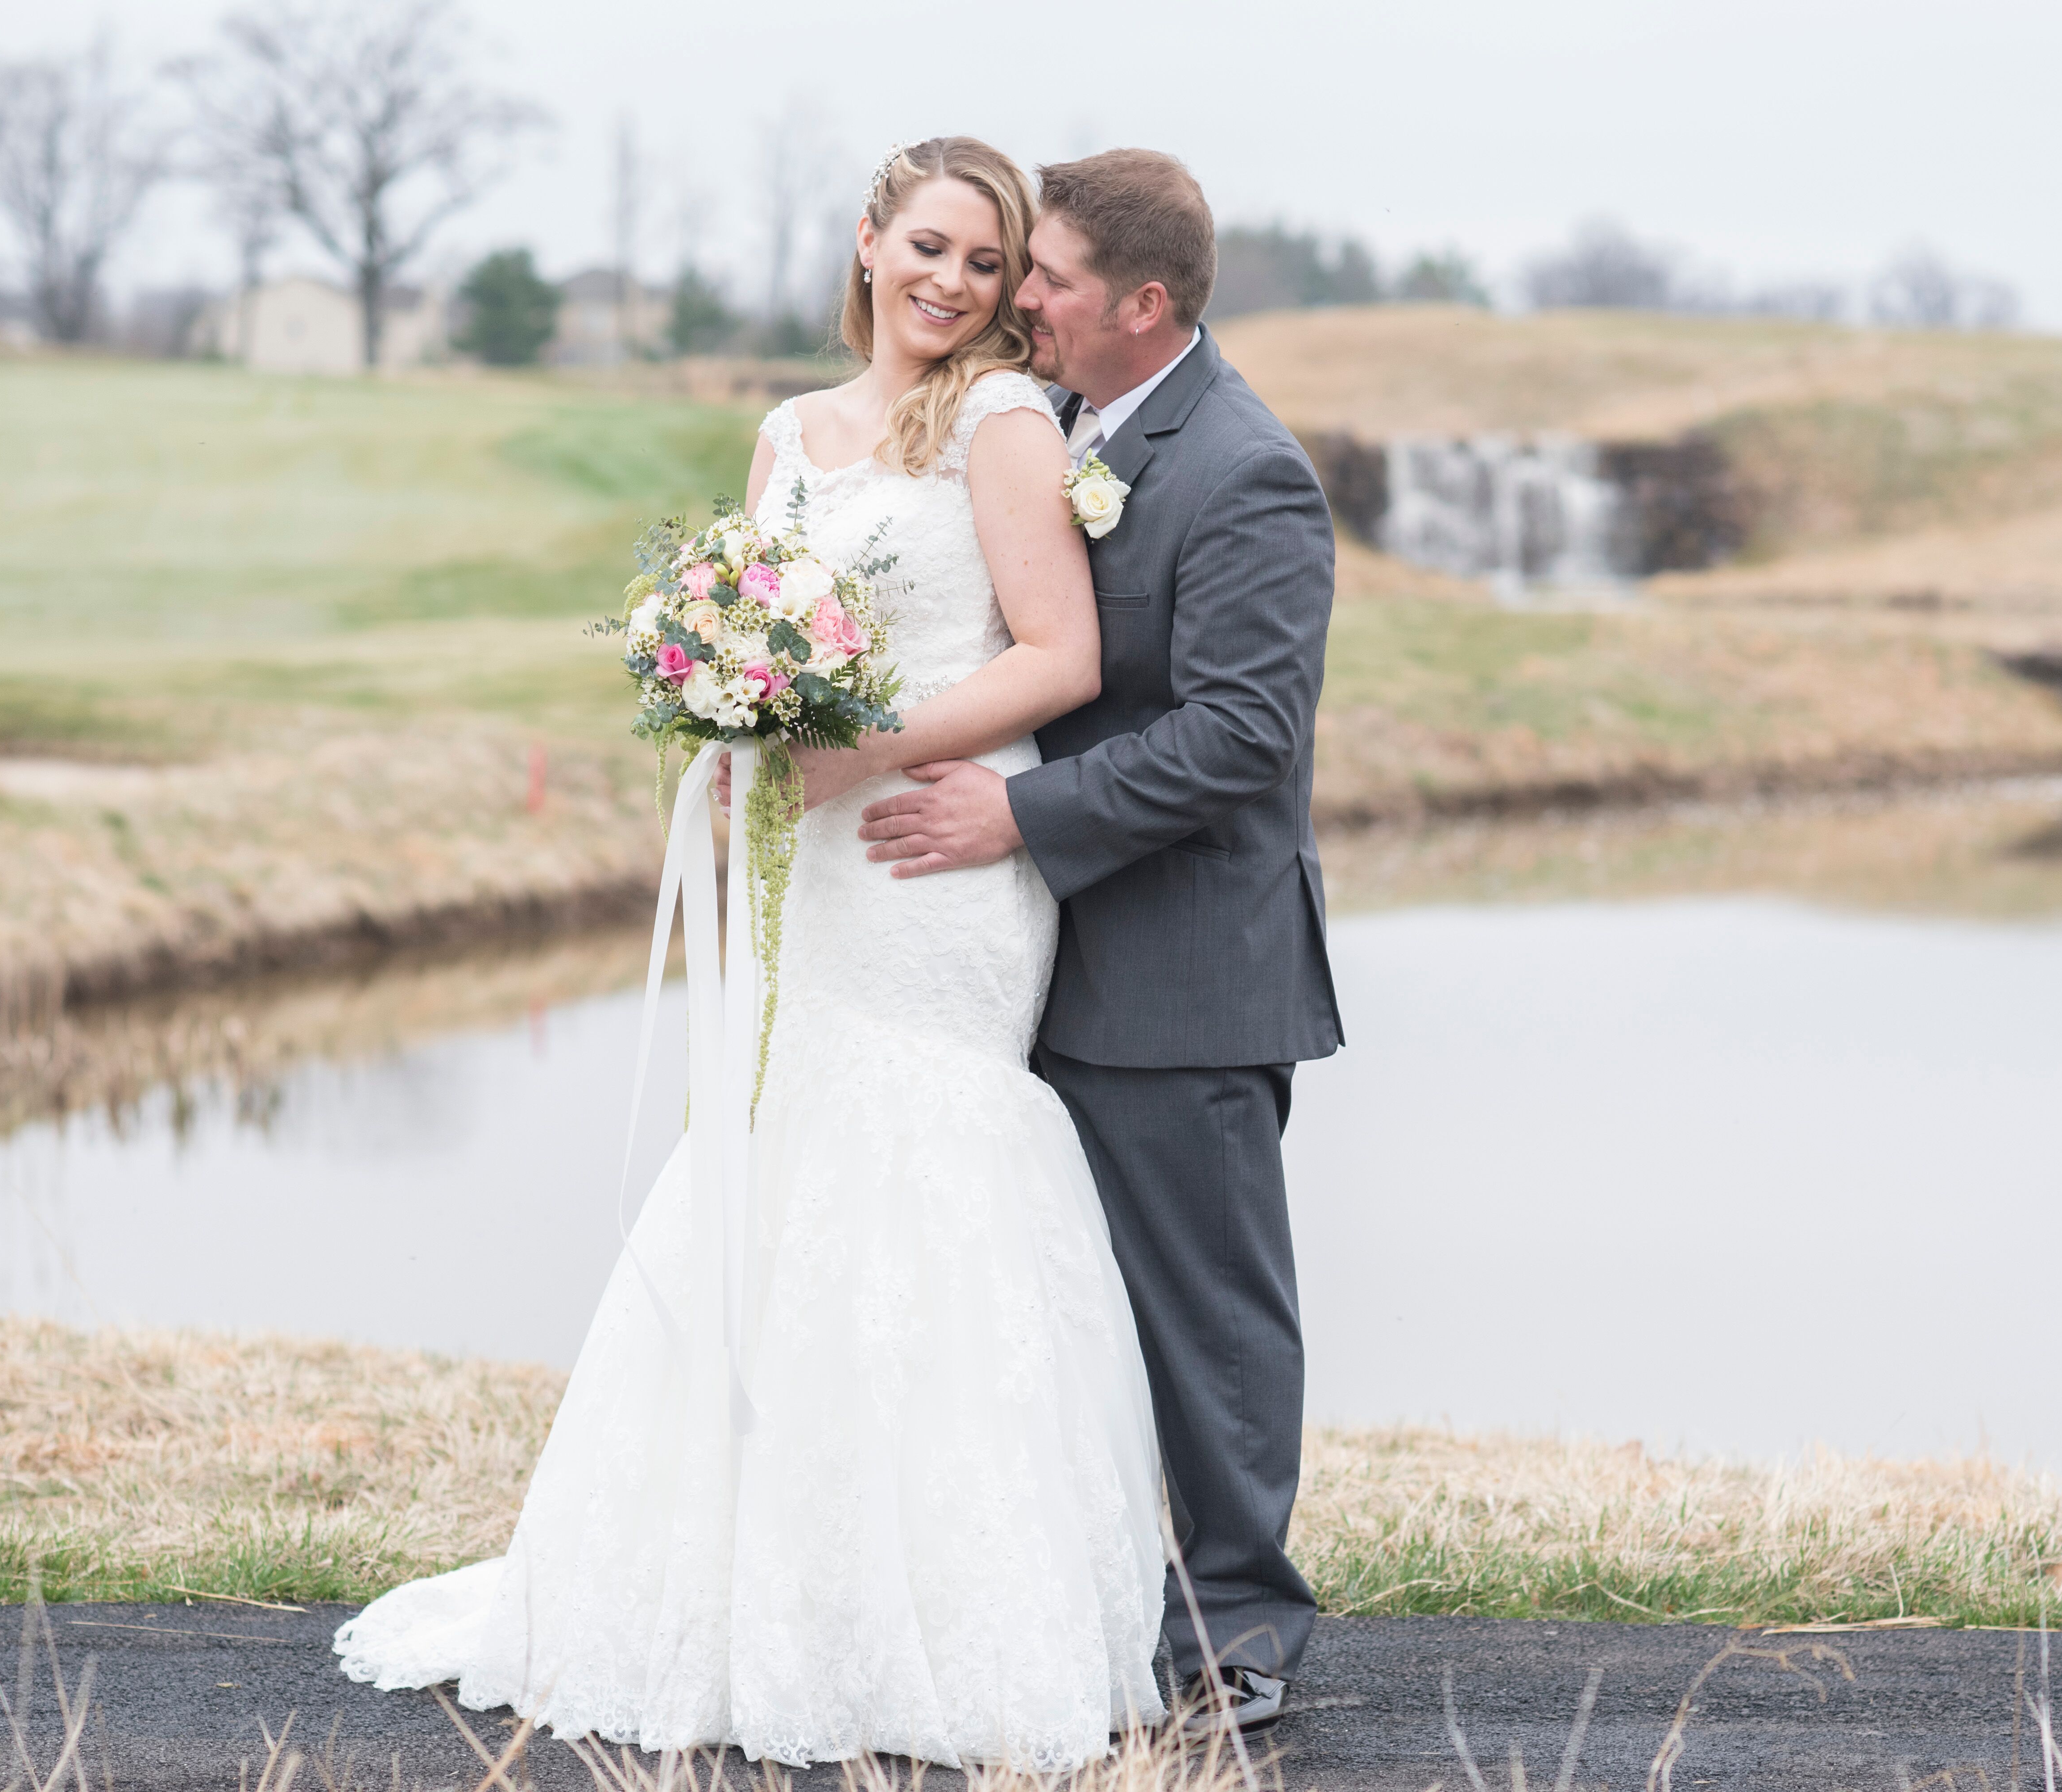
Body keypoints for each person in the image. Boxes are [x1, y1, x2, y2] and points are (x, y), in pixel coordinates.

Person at [331, 137, 1168, 1771]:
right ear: (866, 244)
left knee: (915, 1153)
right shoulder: (790, 432)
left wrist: (865, 753)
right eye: (929, 247)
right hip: (811, 851)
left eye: (988, 266)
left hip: (939, 857)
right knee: (780, 1152)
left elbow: (1063, 659)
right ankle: (750, 1587)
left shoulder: (1003, 426)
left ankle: (937, 1613)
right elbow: (766, 625)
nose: (955, 285)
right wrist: (737, 730)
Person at [854, 147, 1345, 1736]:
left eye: (1046, 277)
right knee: (1050, 1307)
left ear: (1142, 303)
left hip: (1188, 969)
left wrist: (1018, 819)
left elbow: (1243, 737)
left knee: (1205, 1313)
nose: (1019, 302)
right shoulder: (1053, 424)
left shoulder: (1244, 468)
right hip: (1031, 959)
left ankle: (1242, 1640)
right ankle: (1073, 1603)